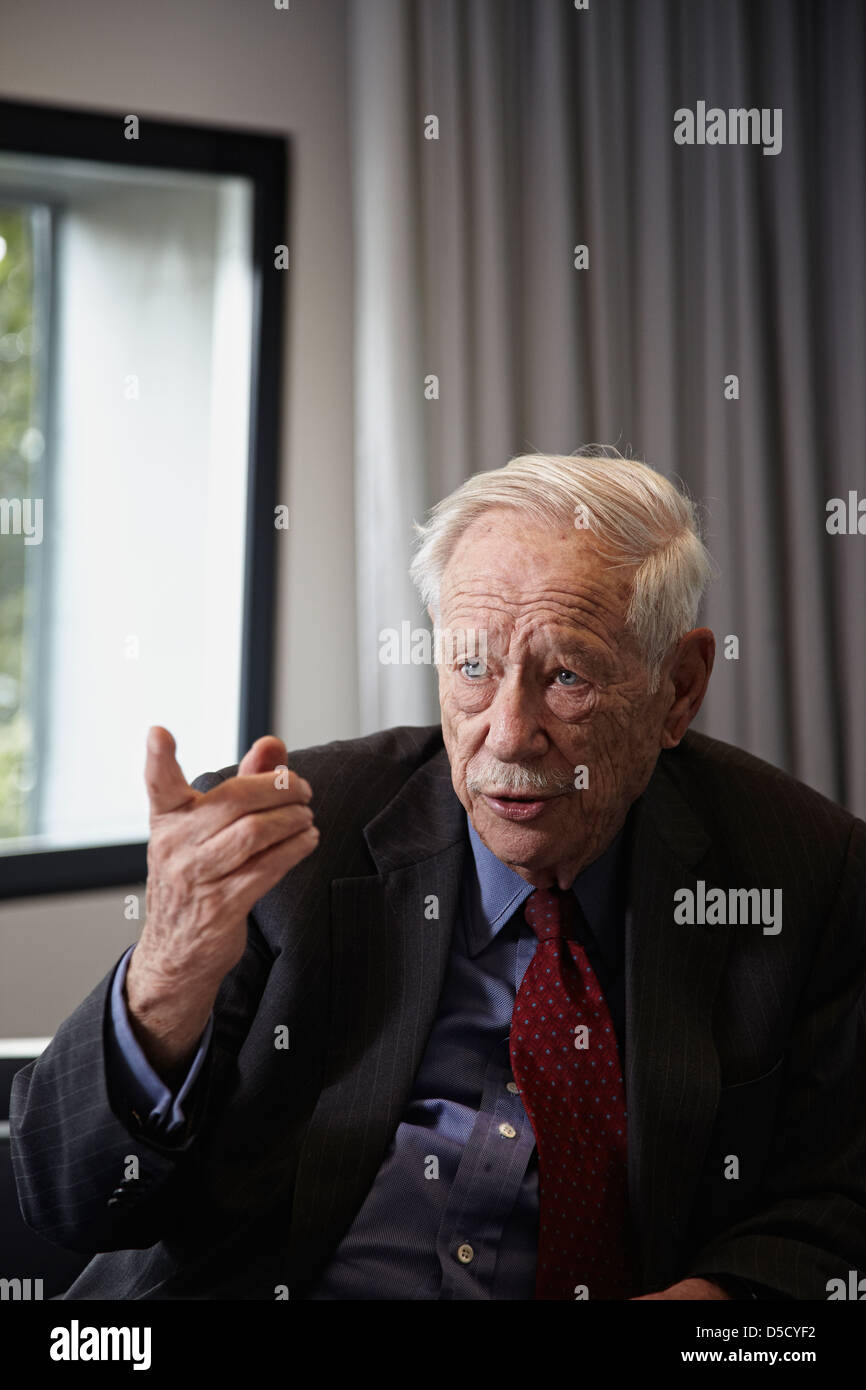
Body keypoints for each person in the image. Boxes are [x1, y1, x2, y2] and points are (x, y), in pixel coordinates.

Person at [11, 452, 866, 1300]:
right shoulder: (299, 843)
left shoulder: (800, 872)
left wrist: (710, 1310)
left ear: (678, 690)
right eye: (472, 667)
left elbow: (836, 1204)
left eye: (566, 675)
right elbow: (61, 1194)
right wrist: (166, 973)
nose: (507, 734)